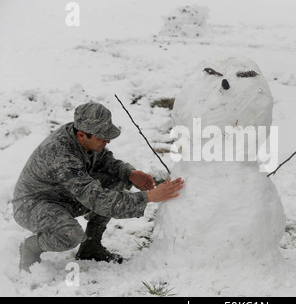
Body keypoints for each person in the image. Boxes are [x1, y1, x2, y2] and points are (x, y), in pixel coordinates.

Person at [13, 101, 184, 272]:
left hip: (62, 195)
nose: (107, 140)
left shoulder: (85, 136)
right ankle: (30, 247)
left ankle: (91, 247)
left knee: (114, 178)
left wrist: (128, 173)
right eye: (102, 137)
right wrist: (149, 197)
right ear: (81, 135)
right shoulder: (62, 155)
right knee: (70, 235)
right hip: (32, 205)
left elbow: (103, 160)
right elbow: (97, 199)